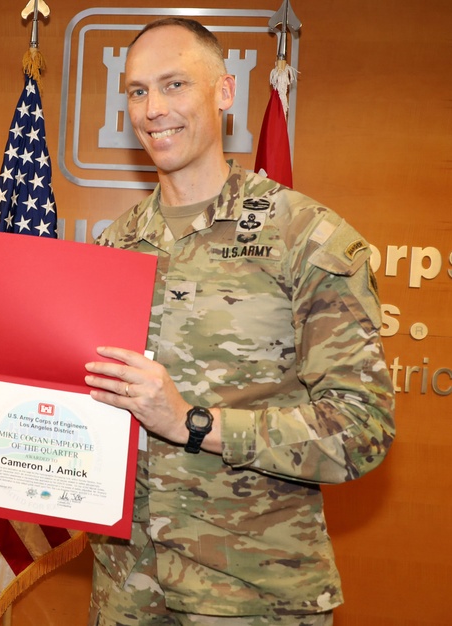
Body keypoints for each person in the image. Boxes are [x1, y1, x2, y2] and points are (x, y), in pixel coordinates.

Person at [77, 17, 396, 626]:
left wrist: (193, 423)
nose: (152, 109)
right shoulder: (115, 245)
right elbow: (85, 398)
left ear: (224, 92)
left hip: (250, 596)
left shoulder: (304, 235)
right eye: (138, 91)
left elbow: (362, 429)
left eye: (174, 85)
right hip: (126, 590)